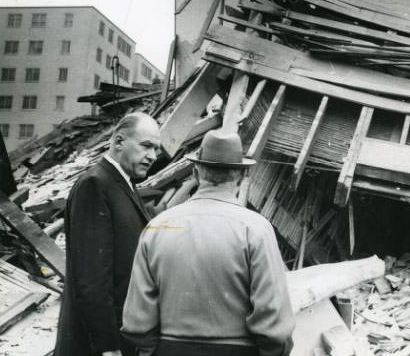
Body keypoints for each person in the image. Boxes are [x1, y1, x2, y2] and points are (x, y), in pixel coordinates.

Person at [122, 129, 295, 356]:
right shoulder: (256, 229)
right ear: (242, 177)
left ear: (195, 173)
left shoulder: (157, 228)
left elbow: (137, 321)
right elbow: (273, 322)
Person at [54, 111, 161, 356]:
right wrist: (107, 346)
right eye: (146, 146)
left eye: (156, 148)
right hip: (97, 345)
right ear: (119, 141)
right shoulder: (96, 184)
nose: (153, 156)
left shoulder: (121, 184)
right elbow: (92, 278)